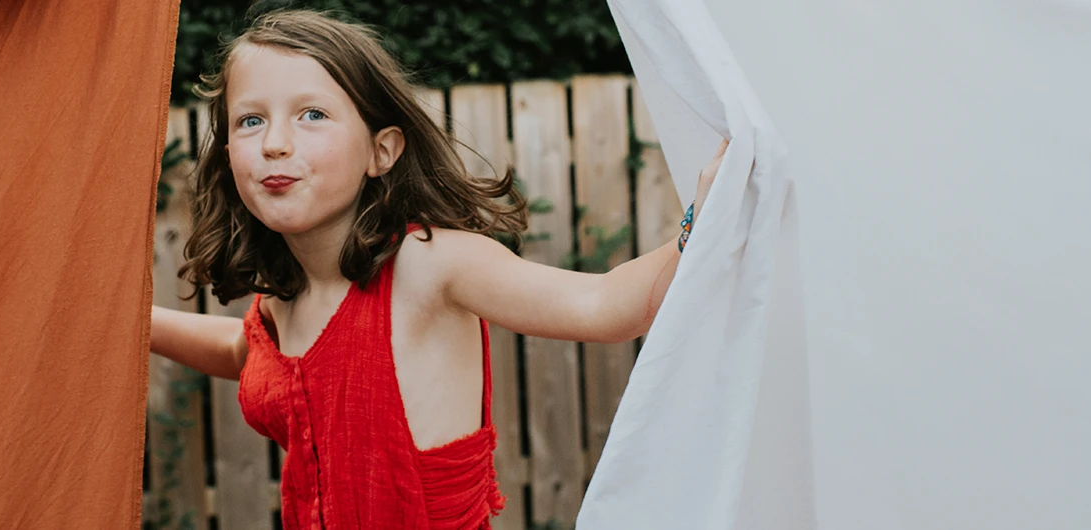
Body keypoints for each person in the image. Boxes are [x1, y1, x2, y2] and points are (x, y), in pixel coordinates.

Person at [148, 10, 727, 529]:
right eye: (250, 121)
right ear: (227, 154)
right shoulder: (288, 296)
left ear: (383, 150)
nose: (274, 142)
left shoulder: (431, 264)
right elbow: (245, 354)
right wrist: (129, 321)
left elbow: (607, 307)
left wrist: (706, 216)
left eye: (312, 114)